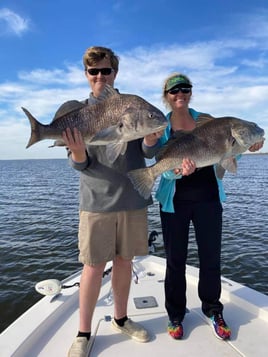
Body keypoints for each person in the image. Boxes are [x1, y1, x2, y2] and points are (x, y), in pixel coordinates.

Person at [146, 73, 264, 341]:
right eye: (174, 90)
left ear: (190, 92)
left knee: (211, 259)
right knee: (175, 262)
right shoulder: (160, 127)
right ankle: (175, 314)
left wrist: (248, 145)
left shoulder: (208, 119)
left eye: (185, 88)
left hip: (209, 199)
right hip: (174, 203)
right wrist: (178, 172)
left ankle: (213, 309)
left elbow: (227, 156)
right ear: (166, 95)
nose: (180, 94)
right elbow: (163, 168)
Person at [62, 46, 158, 357]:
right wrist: (77, 152)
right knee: (92, 267)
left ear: (115, 73)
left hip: (133, 200)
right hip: (96, 202)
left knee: (125, 263)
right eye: (95, 72)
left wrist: (150, 139)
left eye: (107, 70)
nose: (101, 76)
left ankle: (121, 318)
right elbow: (80, 164)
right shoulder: (77, 112)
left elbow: (146, 153)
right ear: (87, 76)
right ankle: (83, 333)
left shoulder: (132, 106)